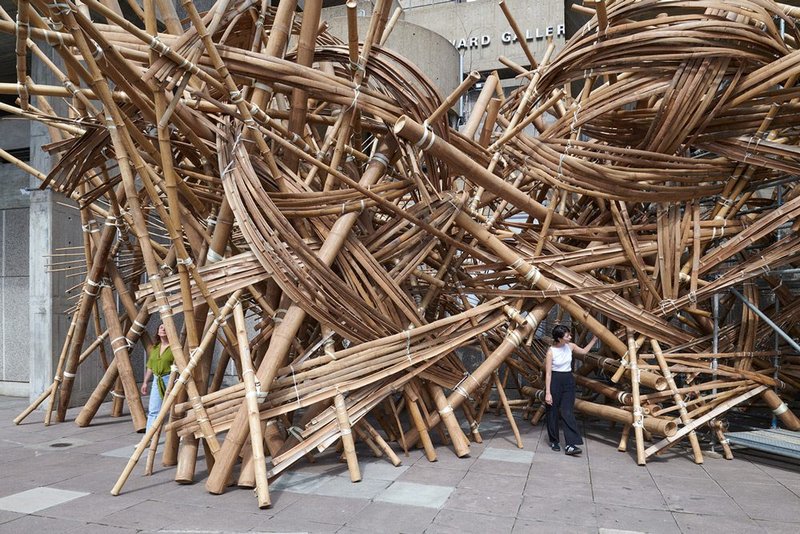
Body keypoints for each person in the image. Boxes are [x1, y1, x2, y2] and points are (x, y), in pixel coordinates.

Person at [545, 325, 597, 456]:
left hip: (568, 380)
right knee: (552, 412)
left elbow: (584, 352)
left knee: (567, 411)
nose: (570, 337)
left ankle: (570, 444)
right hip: (555, 380)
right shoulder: (550, 352)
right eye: (567, 335)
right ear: (559, 338)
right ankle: (554, 441)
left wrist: (594, 340)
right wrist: (548, 393)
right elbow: (548, 374)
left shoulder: (571, 346)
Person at [140, 323, 174, 432]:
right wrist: (145, 382)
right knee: (153, 410)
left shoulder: (175, 347)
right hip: (157, 380)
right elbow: (150, 366)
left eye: (165, 327)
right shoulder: (155, 348)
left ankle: (180, 434)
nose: (163, 329)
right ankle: (148, 438)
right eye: (161, 327)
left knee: (175, 408)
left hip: (170, 379)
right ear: (158, 331)